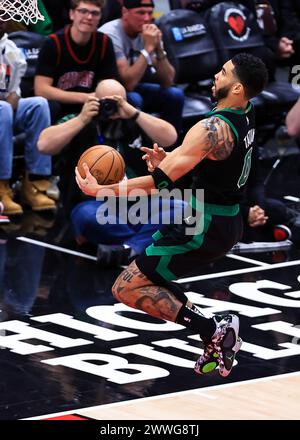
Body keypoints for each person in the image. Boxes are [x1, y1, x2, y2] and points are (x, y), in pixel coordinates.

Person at [76, 53, 268, 377]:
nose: (215, 76)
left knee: (128, 287)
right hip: (217, 217)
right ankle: (214, 332)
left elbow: (160, 182)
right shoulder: (243, 113)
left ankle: (215, 329)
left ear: (237, 88)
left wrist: (103, 191)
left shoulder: (212, 127)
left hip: (205, 224)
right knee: (144, 280)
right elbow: (203, 157)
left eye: (223, 73)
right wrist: (170, 159)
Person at [38, 78, 184, 264]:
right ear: (95, 100)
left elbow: (170, 137)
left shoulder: (135, 120)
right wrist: (82, 118)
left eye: (117, 102)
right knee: (88, 218)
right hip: (95, 204)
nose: (111, 108)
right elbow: (43, 145)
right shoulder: (80, 120)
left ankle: (128, 248)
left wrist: (133, 112)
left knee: (185, 209)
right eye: (106, 102)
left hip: (137, 203)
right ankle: (145, 241)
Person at [99, 0, 185, 136]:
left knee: (175, 95)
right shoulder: (110, 33)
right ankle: (136, 148)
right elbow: (128, 83)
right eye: (140, 13)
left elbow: (168, 81)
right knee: (135, 98)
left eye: (150, 13)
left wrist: (158, 49)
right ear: (125, 12)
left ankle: (170, 147)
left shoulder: (150, 32)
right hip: (111, 92)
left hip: (137, 87)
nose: (146, 18)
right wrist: (147, 49)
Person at [0, 18, 56, 216]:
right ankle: (2, 186)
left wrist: (12, 98)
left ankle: (34, 182)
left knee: (38, 104)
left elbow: (14, 92)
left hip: (3, 110)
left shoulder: (11, 50)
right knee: (3, 109)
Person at [34, 0, 118, 122]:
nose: (89, 17)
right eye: (83, 11)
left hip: (91, 105)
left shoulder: (104, 42)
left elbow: (108, 83)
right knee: (50, 106)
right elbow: (41, 89)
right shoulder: (53, 43)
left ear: (100, 17)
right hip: (60, 104)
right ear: (72, 14)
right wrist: (85, 97)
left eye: (95, 13)